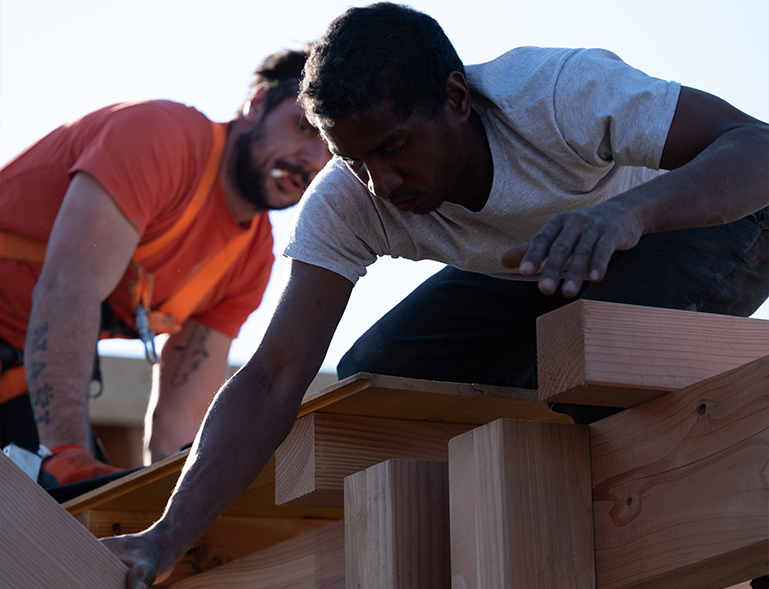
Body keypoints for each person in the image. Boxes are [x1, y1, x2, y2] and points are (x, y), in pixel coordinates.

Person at [103, 3, 768, 586]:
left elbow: (755, 146)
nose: (381, 183)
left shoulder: (554, 93)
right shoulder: (349, 200)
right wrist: (169, 534)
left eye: (394, 148)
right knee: (381, 380)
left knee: (585, 356)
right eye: (354, 160)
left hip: (704, 217)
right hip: (539, 266)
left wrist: (628, 215)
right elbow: (275, 374)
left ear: (455, 98)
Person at [0, 46, 330, 485]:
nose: (313, 160)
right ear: (256, 104)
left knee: (75, 526)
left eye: (330, 148)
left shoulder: (250, 260)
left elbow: (181, 418)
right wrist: (67, 454)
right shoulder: (162, 137)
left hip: (19, 380)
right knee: (64, 488)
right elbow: (69, 287)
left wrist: (173, 521)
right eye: (303, 127)